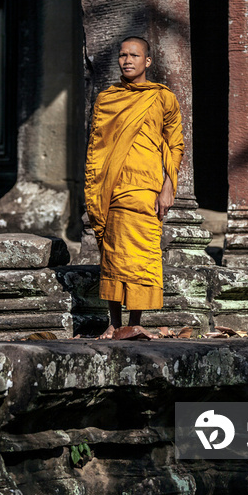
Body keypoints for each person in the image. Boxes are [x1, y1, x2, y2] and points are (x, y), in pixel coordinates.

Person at [84, 36, 184, 339]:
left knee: (141, 254)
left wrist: (168, 187)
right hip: (114, 186)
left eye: (134, 55)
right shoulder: (107, 99)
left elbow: (175, 145)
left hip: (147, 187)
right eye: (123, 55)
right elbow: (98, 147)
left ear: (147, 61)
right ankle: (114, 323)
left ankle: (136, 321)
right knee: (114, 253)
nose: (127, 60)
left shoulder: (162, 97)